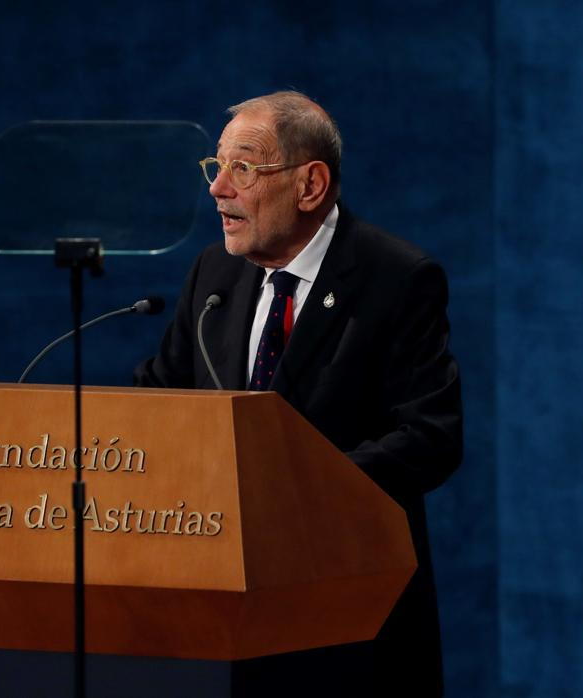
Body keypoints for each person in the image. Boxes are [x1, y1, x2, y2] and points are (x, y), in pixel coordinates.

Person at [135, 90, 462, 695]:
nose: (218, 189)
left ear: (310, 185)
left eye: (244, 167)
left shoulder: (397, 278)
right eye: (216, 166)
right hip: (220, 616)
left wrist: (296, 485)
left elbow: (430, 437)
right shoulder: (214, 272)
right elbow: (161, 397)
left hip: (345, 615)